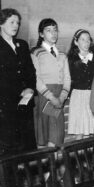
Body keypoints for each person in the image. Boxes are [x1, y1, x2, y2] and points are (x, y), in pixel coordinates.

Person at [0, 8, 36, 156]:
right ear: (0, 24)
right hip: (6, 107)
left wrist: (30, 88)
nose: (16, 25)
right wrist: (18, 92)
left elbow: (31, 71)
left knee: (28, 146)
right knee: (10, 148)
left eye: (17, 22)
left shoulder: (22, 45)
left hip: (25, 104)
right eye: (11, 22)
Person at [31, 18, 71, 147]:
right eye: (48, 30)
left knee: (57, 133)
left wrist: (62, 97)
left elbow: (67, 78)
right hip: (44, 97)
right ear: (41, 34)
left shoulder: (63, 55)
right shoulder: (36, 53)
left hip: (59, 97)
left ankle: (58, 162)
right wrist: (51, 97)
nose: (53, 33)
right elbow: (35, 78)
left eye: (55, 30)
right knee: (44, 134)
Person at [67, 29, 94, 140]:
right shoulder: (71, 59)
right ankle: (80, 156)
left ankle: (90, 155)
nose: (86, 42)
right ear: (76, 42)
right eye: (83, 39)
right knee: (80, 131)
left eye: (88, 39)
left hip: (93, 95)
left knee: (90, 130)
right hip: (78, 96)